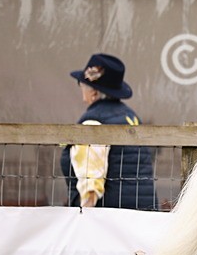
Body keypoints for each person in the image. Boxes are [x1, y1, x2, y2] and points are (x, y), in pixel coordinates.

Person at [60, 53, 158, 210]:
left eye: (82, 84)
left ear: (93, 92)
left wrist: (83, 216)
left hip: (109, 218)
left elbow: (91, 184)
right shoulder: (130, 116)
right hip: (141, 214)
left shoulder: (94, 121)